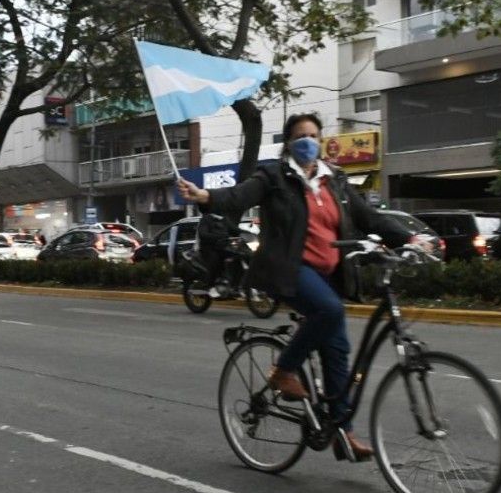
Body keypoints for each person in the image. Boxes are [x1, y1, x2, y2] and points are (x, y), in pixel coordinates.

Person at [177, 113, 430, 461]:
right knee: (329, 310)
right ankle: (283, 370)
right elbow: (238, 196)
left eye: (313, 135)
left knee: (337, 349)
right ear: (288, 143)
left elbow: (368, 218)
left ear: (321, 139)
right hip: (288, 270)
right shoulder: (274, 176)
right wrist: (204, 196)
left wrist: (410, 237)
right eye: (300, 136)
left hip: (327, 274)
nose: (308, 141)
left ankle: (342, 431)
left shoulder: (335, 180)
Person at [196, 210, 239, 298]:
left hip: (223, 248)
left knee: (239, 257)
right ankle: (210, 286)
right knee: (215, 260)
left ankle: (235, 285)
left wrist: (248, 232)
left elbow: (235, 229)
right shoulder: (206, 219)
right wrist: (218, 237)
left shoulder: (224, 219)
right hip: (208, 248)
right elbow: (203, 234)